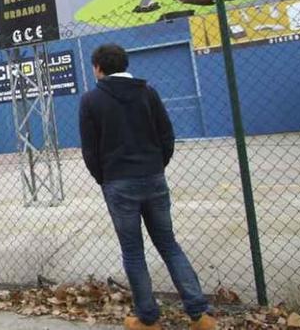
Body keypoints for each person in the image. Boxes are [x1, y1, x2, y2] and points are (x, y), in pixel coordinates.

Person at [78, 44, 215, 330]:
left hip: (118, 182)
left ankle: (148, 319)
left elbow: (89, 151)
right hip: (153, 177)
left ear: (98, 67)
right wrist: (157, 165)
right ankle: (200, 316)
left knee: (133, 251)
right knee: (168, 244)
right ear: (125, 64)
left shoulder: (91, 101)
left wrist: (104, 178)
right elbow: (167, 134)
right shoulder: (147, 92)